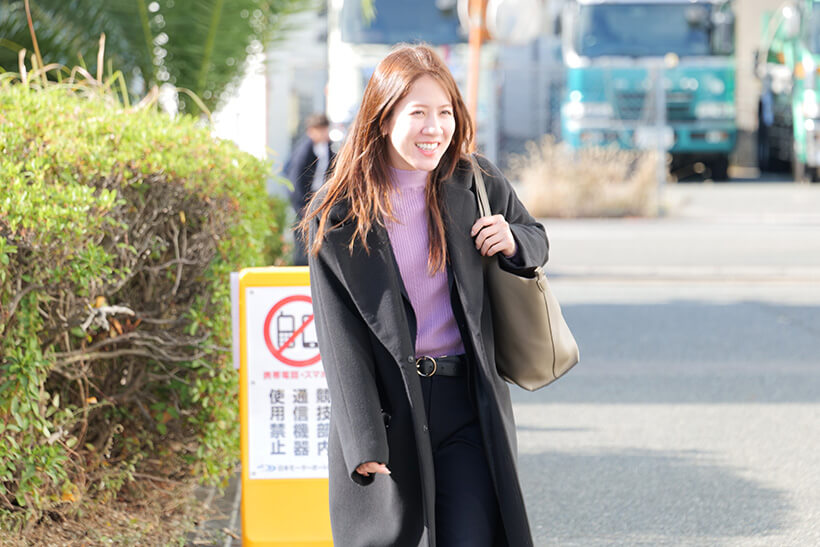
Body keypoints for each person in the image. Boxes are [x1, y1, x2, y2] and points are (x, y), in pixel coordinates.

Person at [300, 44, 548, 547]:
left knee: (472, 535)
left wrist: (513, 240)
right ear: (383, 117)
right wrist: (363, 439)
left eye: (445, 112)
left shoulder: (475, 181)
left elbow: (535, 236)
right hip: (389, 407)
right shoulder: (340, 211)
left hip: (466, 399)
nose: (435, 128)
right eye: (418, 113)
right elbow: (338, 336)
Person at [285, 112, 335, 265]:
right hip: (304, 201)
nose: (323, 133)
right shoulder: (304, 151)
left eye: (324, 129)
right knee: (303, 241)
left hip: (321, 198)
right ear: (311, 131)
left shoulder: (328, 148)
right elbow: (294, 180)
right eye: (319, 130)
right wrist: (301, 207)